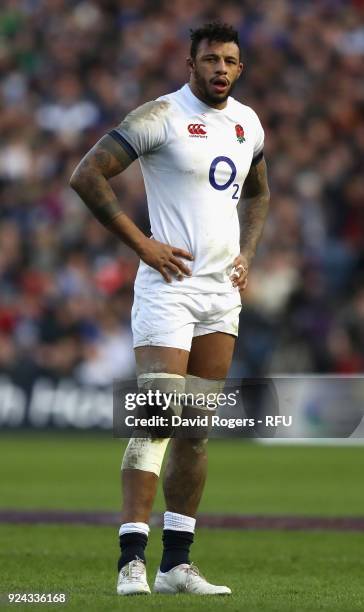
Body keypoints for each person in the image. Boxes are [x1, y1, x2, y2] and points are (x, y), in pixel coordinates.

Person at [70, 21, 270, 596]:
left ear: (240, 67)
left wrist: (247, 253)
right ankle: (130, 560)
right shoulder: (158, 116)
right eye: (210, 59)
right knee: (158, 418)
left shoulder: (247, 123)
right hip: (169, 285)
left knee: (196, 432)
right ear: (190, 63)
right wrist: (144, 245)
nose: (221, 69)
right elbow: (87, 174)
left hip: (218, 294)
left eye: (231, 60)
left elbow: (258, 191)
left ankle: (175, 564)